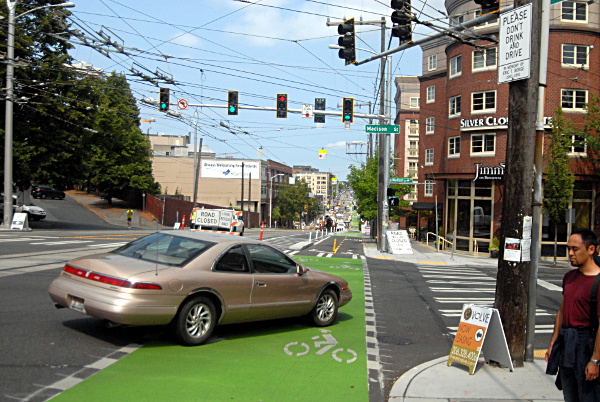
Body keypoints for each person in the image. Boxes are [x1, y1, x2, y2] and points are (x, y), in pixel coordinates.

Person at [546, 228, 600, 401]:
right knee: (569, 395)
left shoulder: (598, 281)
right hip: (567, 344)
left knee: (588, 396)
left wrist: (595, 360)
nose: (570, 253)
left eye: (575, 249)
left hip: (587, 344)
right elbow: (562, 311)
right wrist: (554, 343)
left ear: (591, 249)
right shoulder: (569, 276)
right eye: (568, 248)